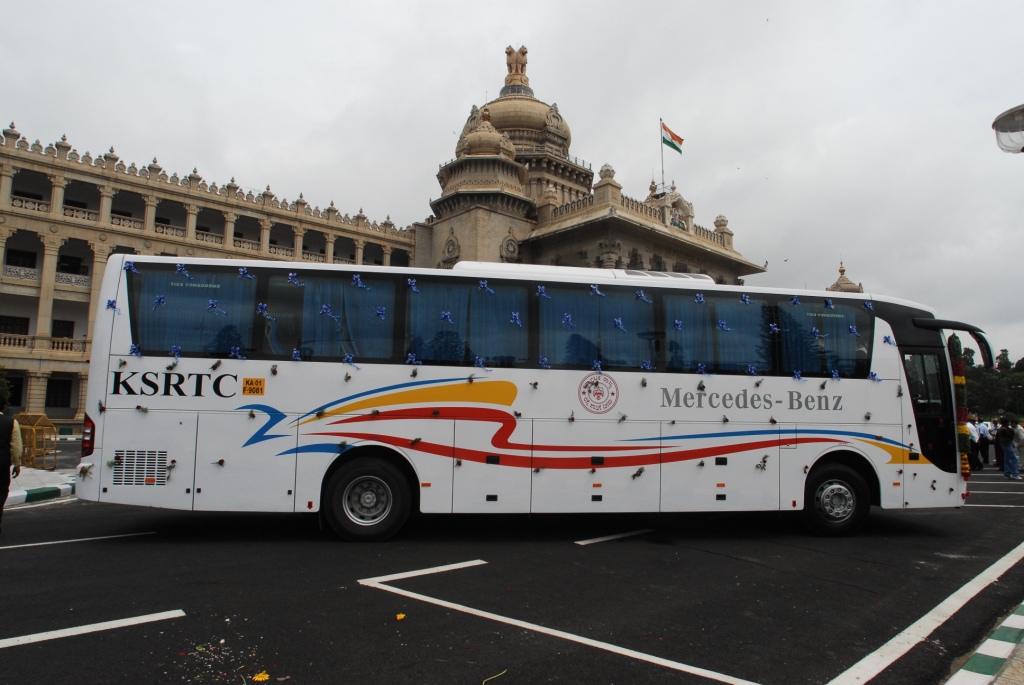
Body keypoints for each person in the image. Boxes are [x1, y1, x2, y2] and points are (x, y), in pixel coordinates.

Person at [0, 398, 24, 535]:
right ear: (4, 407)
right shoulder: (11, 422)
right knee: (2, 491)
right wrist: (17, 464)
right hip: (2, 464)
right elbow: (16, 447)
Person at [996, 416, 1019, 480]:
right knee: (1014, 459)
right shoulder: (1008, 430)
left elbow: (997, 438)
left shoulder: (1000, 429)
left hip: (1003, 445)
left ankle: (1007, 473)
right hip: (1008, 444)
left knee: (1007, 459)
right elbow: (1011, 437)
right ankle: (1015, 474)